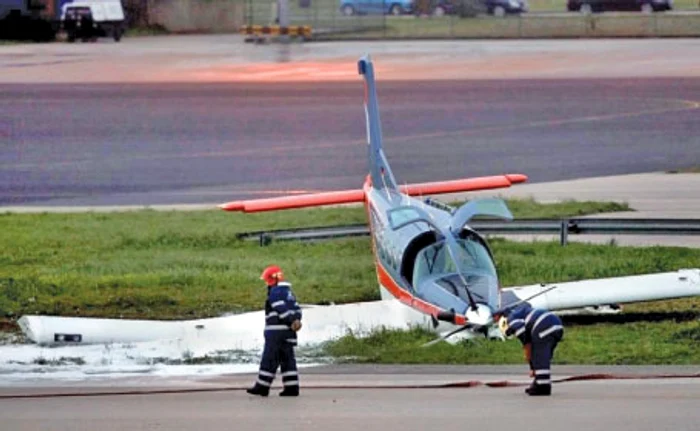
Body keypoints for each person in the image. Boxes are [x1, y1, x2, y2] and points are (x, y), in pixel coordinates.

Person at [247, 265, 303, 397]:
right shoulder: (289, 293)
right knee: (287, 360)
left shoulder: (275, 293)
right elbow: (298, 309)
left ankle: (262, 386)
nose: (266, 284)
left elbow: (280, 308)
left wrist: (289, 320)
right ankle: (291, 387)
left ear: (271, 281)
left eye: (267, 281)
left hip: (276, 334)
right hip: (289, 334)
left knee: (269, 359)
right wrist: (296, 321)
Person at [499, 303, 564, 396]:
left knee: (539, 356)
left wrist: (530, 361)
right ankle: (539, 381)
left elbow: (525, 339)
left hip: (543, 325)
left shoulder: (511, 320)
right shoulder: (521, 314)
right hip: (557, 325)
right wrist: (533, 367)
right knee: (544, 357)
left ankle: (543, 386)